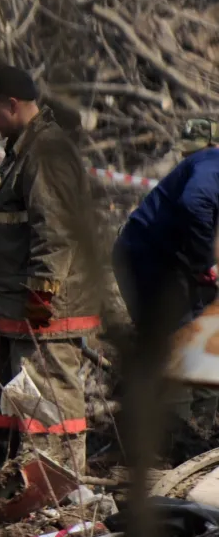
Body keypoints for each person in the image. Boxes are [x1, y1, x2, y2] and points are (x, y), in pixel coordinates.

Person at [0, 66, 100, 475]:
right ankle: (3, 482)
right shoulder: (21, 152)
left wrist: (42, 290)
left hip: (41, 309)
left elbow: (57, 229)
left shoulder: (47, 153)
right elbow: (16, 222)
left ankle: (56, 484)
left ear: (13, 104)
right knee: (3, 404)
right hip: (9, 303)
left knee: (46, 401)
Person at [114, 133, 219, 461]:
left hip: (178, 264)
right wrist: (207, 262)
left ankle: (199, 439)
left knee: (207, 341)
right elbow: (195, 202)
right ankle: (169, 447)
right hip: (151, 262)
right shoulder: (214, 164)